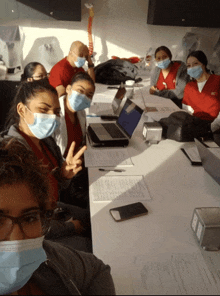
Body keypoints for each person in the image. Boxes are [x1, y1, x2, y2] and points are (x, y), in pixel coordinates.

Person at [0, 137, 116, 295]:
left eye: (29, 218)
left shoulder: (46, 258)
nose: (17, 239)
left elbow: (96, 269)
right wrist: (71, 226)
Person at [2, 79, 91, 238]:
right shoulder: (10, 156)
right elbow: (24, 222)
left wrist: (63, 176)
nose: (52, 117)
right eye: (44, 110)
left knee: (92, 216)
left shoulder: (46, 141)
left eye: (56, 112)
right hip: (39, 230)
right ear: (22, 110)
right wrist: (69, 228)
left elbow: (53, 188)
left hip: (55, 209)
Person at [182, 50, 220, 122]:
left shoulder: (217, 81)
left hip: (215, 125)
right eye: (189, 66)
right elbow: (186, 110)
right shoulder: (189, 86)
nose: (192, 67)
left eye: (195, 64)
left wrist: (214, 126)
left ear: (203, 64)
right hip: (195, 125)